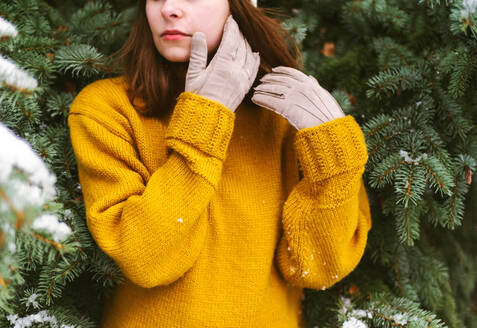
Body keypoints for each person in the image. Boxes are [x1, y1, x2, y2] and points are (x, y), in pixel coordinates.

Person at [67, 0, 372, 327]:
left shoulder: (286, 118)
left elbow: (319, 268)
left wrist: (334, 152)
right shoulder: (107, 108)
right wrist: (206, 115)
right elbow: (148, 259)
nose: (169, 8)